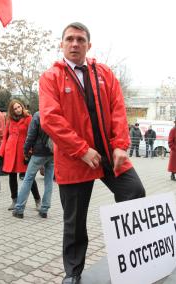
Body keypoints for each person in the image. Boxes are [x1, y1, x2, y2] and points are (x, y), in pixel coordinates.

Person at [39, 22, 146, 284]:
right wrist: (81, 149)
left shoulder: (104, 73)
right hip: (75, 158)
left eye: (80, 39)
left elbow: (118, 109)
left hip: (111, 155)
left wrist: (121, 144)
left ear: (89, 44)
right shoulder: (51, 77)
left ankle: (135, 254)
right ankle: (73, 273)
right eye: (70, 39)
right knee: (74, 222)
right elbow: (50, 119)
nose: (75, 44)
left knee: (134, 192)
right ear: (61, 44)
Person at [0, 100, 41, 210]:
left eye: (19, 107)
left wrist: (30, 151)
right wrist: (1, 153)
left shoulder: (28, 118)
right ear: (11, 111)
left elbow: (33, 136)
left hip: (24, 152)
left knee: (29, 177)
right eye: (15, 108)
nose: (18, 110)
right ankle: (14, 200)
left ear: (22, 107)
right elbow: (5, 137)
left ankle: (37, 200)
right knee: (12, 177)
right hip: (10, 152)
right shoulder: (9, 120)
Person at [13, 111, 54, 219]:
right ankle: (44, 210)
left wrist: (25, 151)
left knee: (28, 179)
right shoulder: (56, 113)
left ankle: (19, 209)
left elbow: (30, 136)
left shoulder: (38, 115)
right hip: (52, 152)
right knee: (49, 180)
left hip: (39, 153)